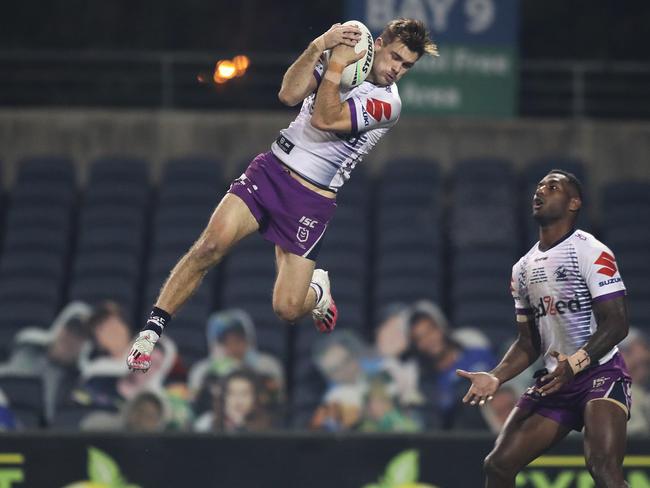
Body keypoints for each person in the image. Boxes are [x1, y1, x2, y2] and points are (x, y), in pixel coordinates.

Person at [127, 19, 438, 372]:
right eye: (395, 57)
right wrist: (319, 45)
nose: (397, 69)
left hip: (311, 200)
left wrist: (335, 63)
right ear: (379, 43)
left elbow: (324, 118)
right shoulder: (343, 64)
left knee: (287, 309)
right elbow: (288, 94)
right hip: (272, 170)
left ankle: (317, 291)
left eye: (406, 66)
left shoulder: (387, 104)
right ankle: (150, 333)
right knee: (209, 246)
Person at [457, 170, 632, 487]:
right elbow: (528, 343)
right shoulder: (522, 269)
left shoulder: (591, 251)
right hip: (555, 380)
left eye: (552, 187)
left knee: (603, 468)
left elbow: (617, 324)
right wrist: (496, 375)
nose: (540, 192)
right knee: (498, 466)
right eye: (538, 187)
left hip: (600, 373)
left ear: (573, 203)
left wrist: (575, 363)